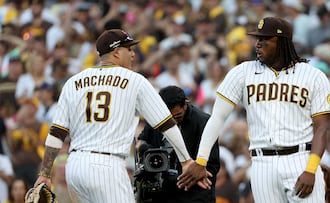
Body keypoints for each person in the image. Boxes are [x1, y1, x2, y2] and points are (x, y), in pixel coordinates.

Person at [33, 29, 203, 203]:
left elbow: (56, 133)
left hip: (75, 166)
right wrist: (186, 161)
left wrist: (45, 173)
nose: (133, 54)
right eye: (129, 49)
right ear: (116, 53)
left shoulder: (73, 82)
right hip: (107, 167)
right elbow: (166, 124)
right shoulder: (134, 80)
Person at [177, 16, 330, 203]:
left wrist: (310, 169)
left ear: (281, 42)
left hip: (300, 158)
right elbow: (217, 118)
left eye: (264, 39)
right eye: (257, 39)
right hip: (262, 163)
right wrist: (201, 160)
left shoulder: (313, 76)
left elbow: (322, 128)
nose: (258, 44)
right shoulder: (243, 72)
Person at [136, 85, 220, 202]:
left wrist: (192, 174)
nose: (173, 122)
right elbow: (141, 141)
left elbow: (212, 165)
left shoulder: (203, 122)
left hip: (193, 191)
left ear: (185, 105)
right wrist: (144, 149)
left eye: (177, 116)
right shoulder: (156, 118)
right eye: (168, 119)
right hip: (162, 191)